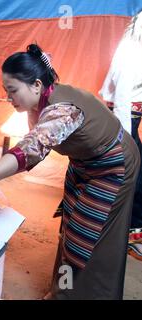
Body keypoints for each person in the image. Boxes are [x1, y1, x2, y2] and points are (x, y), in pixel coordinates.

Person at [0, 44, 140, 299]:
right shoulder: (37, 105)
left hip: (112, 164)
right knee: (70, 225)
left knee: (91, 236)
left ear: (36, 84)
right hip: (83, 163)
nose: (8, 98)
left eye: (12, 91)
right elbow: (32, 145)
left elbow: (31, 149)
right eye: (6, 91)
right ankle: (62, 291)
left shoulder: (63, 110)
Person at [100, 11, 142, 229]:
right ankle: (131, 228)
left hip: (129, 116)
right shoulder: (133, 51)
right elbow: (123, 96)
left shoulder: (134, 46)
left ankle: (130, 226)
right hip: (124, 117)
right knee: (133, 174)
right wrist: (124, 139)